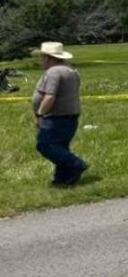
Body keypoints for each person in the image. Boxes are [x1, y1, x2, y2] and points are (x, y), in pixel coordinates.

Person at [31, 42, 88, 187]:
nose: (41, 60)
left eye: (42, 57)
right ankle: (64, 179)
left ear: (49, 58)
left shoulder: (54, 72)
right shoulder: (71, 70)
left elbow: (50, 96)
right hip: (70, 116)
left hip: (56, 117)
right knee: (61, 147)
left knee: (44, 145)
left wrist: (40, 114)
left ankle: (76, 164)